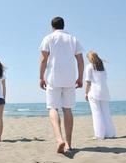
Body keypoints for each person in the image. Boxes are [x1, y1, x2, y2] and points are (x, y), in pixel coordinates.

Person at [39, 17, 84, 153]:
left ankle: (59, 139)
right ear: (64, 26)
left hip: (54, 78)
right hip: (69, 78)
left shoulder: (48, 38)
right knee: (67, 110)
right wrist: (80, 78)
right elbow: (80, 61)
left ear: (52, 26)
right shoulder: (73, 39)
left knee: (53, 108)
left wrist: (41, 77)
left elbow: (43, 60)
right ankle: (68, 144)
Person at [85, 51, 116, 139]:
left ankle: (99, 135)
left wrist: (86, 93)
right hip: (104, 92)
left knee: (96, 113)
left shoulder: (89, 67)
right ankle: (110, 134)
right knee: (106, 113)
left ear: (89, 58)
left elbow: (88, 81)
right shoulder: (102, 67)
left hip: (94, 92)